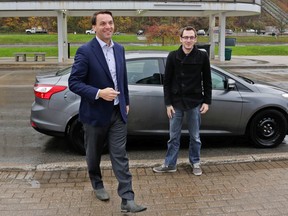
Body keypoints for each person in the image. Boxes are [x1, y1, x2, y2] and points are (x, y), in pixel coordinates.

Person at [68, 10, 146, 213]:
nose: (107, 27)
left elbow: (122, 78)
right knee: (93, 154)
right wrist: (98, 93)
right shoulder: (85, 51)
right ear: (94, 27)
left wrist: (125, 101)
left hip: (117, 113)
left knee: (120, 156)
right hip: (94, 114)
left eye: (110, 23)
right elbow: (74, 83)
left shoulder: (119, 49)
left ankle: (127, 199)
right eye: (102, 23)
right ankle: (97, 183)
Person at [153, 26, 212, 176]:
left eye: (191, 37)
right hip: (176, 102)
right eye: (185, 37)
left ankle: (196, 162)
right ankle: (170, 164)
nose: (188, 40)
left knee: (195, 136)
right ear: (180, 39)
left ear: (195, 39)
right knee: (173, 137)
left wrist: (207, 101)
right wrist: (168, 104)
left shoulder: (202, 56)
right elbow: (167, 82)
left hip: (194, 101)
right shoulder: (173, 56)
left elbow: (207, 80)